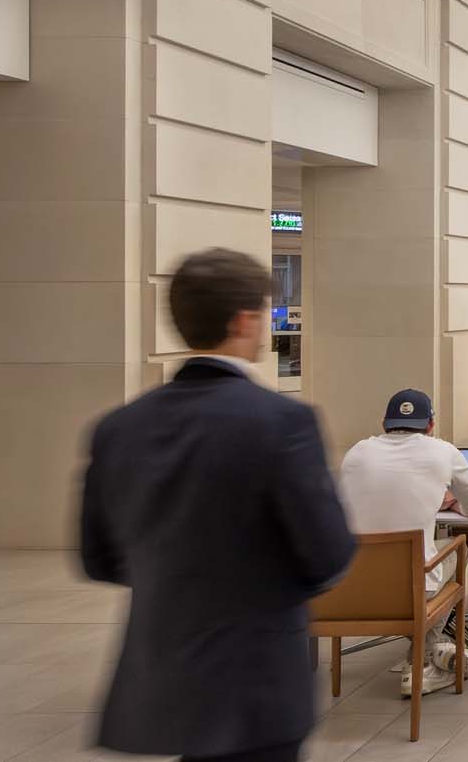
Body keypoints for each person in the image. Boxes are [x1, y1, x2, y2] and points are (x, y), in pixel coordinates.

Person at [81, 248, 355, 762]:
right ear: (244, 320)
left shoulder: (118, 429)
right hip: (257, 682)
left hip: (162, 678)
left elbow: (99, 558)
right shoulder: (281, 423)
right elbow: (329, 553)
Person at [338, 388, 468, 696]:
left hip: (351, 586)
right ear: (431, 425)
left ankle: (427, 656)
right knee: (457, 549)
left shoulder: (356, 452)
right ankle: (424, 662)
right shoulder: (442, 451)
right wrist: (443, 499)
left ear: (384, 422)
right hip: (412, 588)